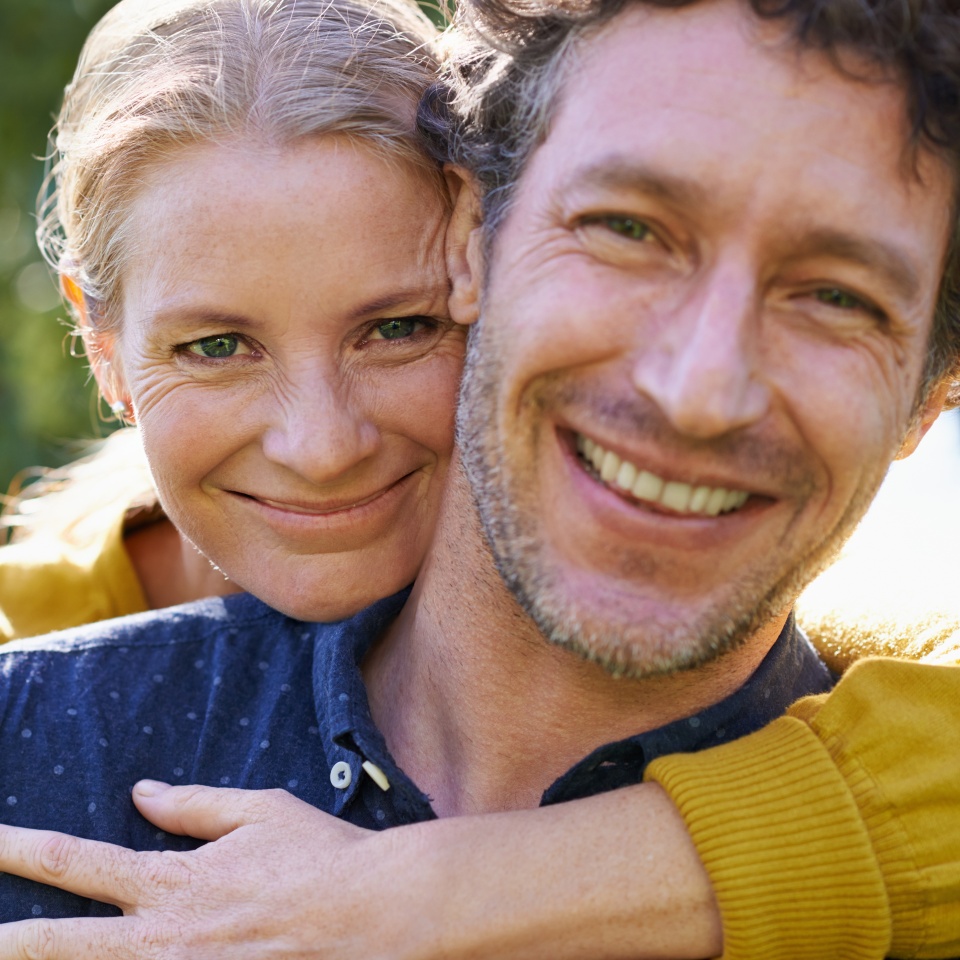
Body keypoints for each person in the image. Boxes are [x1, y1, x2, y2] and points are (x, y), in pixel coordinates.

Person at [0, 2, 957, 960]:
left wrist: (433, 893)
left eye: (840, 297)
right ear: (468, 234)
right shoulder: (37, 747)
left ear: (936, 392)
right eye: (626, 229)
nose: (698, 394)